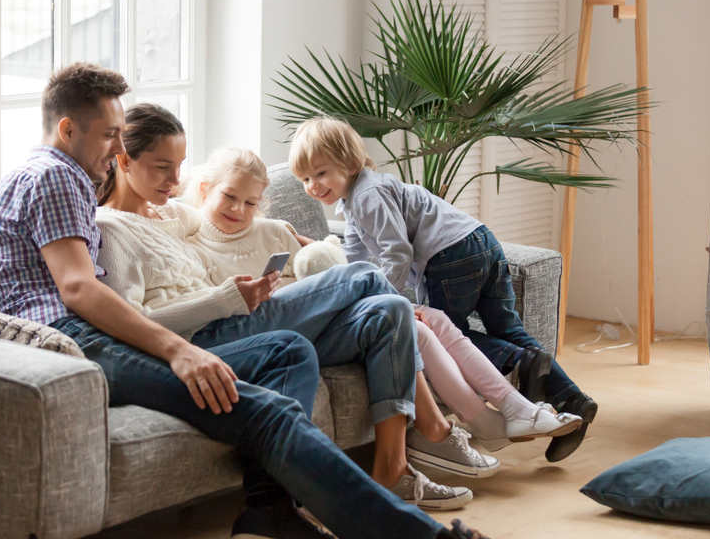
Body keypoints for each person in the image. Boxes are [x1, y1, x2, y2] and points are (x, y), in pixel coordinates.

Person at [0, 63, 555, 539]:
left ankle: (269, 510)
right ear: (66, 128)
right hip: (75, 347)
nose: (115, 147)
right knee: (270, 406)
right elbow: (79, 291)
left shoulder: (63, 179)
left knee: (288, 350)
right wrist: (181, 351)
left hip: (89, 339)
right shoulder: (56, 177)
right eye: (109, 135)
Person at [97, 123, 490, 511]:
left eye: (180, 166)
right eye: (162, 167)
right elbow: (129, 322)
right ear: (123, 161)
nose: (174, 179)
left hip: (239, 316)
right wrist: (225, 299)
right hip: (208, 336)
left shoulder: (174, 215)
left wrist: (294, 241)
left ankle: (392, 468)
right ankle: (435, 426)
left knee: (388, 312)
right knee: (367, 274)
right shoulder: (109, 228)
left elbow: (230, 223)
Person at [182, 146, 582, 455]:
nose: (240, 210)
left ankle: (503, 414)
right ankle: (500, 413)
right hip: (278, 328)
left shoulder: (272, 229)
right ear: (204, 190)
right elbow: (224, 310)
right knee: (406, 311)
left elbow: (326, 267)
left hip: (331, 314)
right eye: (230, 198)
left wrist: (312, 245)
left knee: (431, 322)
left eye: (250, 203)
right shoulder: (193, 242)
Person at [288, 117, 599, 463]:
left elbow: (397, 252)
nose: (313, 185)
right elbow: (353, 259)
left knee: (448, 334)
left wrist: (386, 297)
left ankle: (520, 362)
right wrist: (311, 251)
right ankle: (573, 398)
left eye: (320, 173)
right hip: (480, 241)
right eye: (304, 179)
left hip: (449, 256)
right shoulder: (356, 198)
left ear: (348, 163)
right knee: (508, 329)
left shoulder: (367, 196)